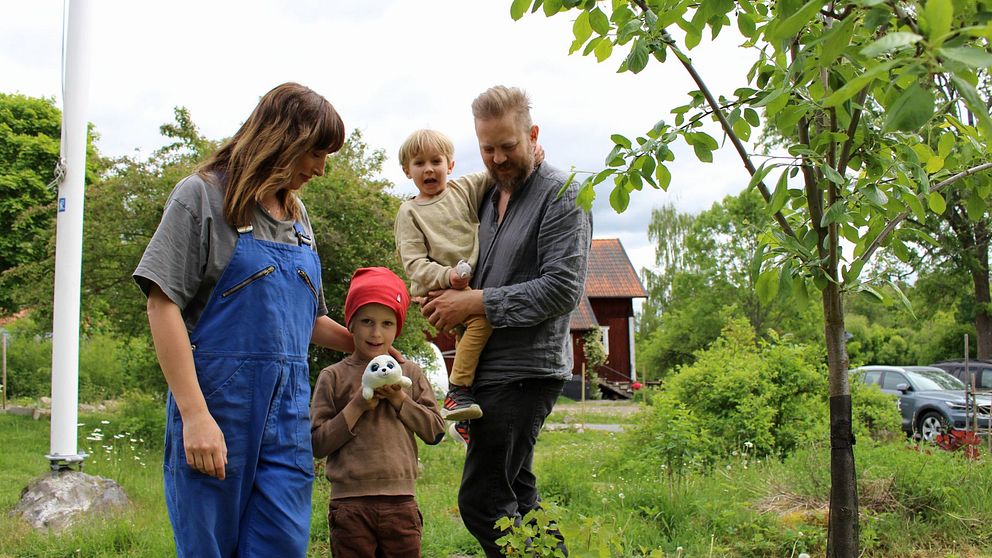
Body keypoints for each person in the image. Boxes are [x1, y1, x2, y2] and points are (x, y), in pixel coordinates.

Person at [134, 82, 363, 557]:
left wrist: (370, 351)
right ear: (285, 138)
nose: (321, 169)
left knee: (281, 545)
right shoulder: (201, 197)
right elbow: (162, 305)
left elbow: (309, 322)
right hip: (220, 410)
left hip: (287, 420)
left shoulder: (299, 220)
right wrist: (196, 417)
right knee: (209, 549)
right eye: (316, 153)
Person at [421, 85, 592, 557]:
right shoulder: (486, 195)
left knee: (482, 500)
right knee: (518, 494)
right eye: (487, 148)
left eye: (508, 146)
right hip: (485, 373)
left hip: (524, 370)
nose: (497, 158)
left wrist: (476, 303)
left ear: (533, 135)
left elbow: (563, 289)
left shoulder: (561, 194)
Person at [310, 267, 445, 557]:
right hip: (349, 506)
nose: (376, 332)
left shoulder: (409, 373)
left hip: (401, 504)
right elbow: (318, 444)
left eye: (386, 323)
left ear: (397, 328)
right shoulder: (332, 376)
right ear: (351, 324)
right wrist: (357, 405)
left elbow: (435, 431)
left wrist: (400, 401)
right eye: (367, 321)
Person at [394, 129, 491, 421]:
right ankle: (457, 391)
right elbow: (414, 263)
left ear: (450, 164)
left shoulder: (463, 189)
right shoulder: (410, 211)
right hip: (438, 290)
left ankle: (464, 422)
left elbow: (495, 172)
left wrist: (532, 154)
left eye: (436, 161)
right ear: (407, 171)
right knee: (483, 319)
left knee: (473, 344)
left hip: (466, 284)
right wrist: (447, 276)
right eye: (419, 163)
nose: (429, 169)